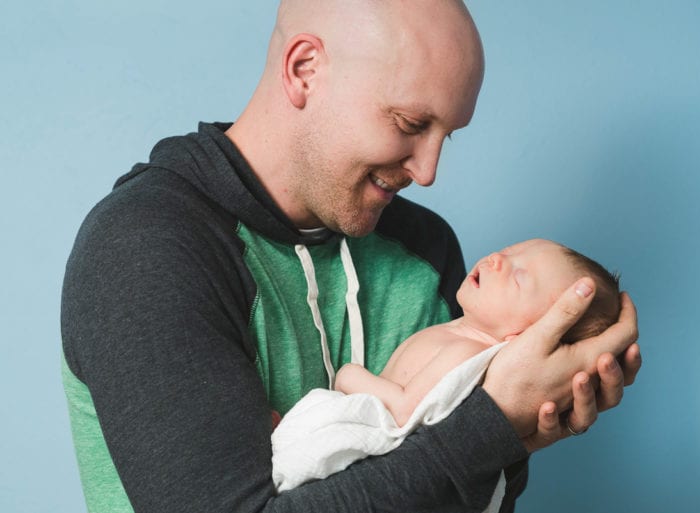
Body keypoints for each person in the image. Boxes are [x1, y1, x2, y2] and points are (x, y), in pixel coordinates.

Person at [61, 1, 641, 512]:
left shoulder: (425, 250)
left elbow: (472, 490)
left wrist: (528, 425)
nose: (428, 172)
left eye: (448, 135)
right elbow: (463, 448)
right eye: (411, 124)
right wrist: (491, 427)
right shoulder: (149, 246)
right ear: (304, 69)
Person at [272, 239, 621, 491]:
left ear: (530, 338)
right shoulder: (457, 331)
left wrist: (350, 375)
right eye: (513, 251)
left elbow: (405, 413)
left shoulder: (465, 353)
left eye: (518, 278)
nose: (497, 259)